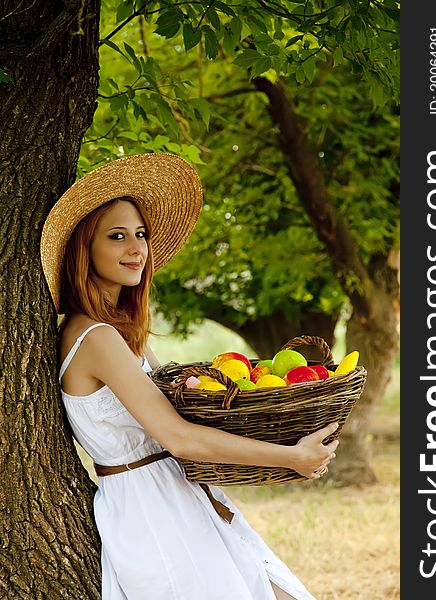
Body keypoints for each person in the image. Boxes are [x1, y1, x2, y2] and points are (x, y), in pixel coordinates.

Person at [40, 153, 339, 600]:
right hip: (154, 511)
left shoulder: (120, 333)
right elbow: (178, 437)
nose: (136, 248)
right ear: (85, 249)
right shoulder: (95, 336)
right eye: (117, 236)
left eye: (140, 234)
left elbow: (185, 406)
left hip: (181, 493)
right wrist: (288, 456)